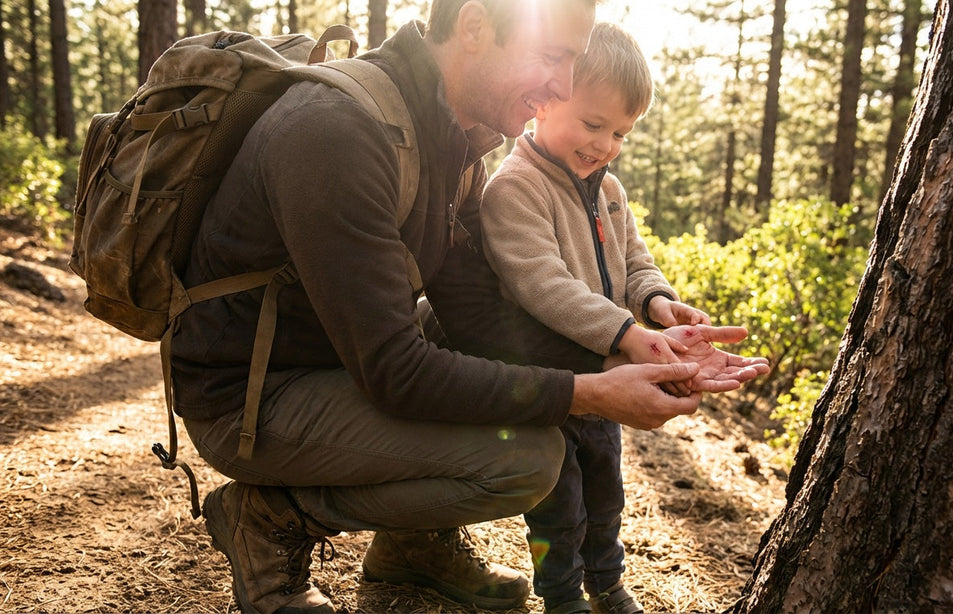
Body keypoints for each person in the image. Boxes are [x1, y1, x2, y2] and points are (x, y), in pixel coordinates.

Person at [168, 1, 766, 613]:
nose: (561, 84)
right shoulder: (337, 132)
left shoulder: (448, 143)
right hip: (252, 399)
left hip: (334, 364)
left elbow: (477, 319)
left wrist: (625, 358)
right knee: (526, 462)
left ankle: (413, 546)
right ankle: (269, 517)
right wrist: (589, 393)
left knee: (449, 335)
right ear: (476, 27)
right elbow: (396, 372)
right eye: (553, 56)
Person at [429, 21, 769, 614]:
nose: (607, 144)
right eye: (594, 124)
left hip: (606, 369)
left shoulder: (606, 188)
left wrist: (658, 304)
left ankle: (607, 583)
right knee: (557, 503)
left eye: (621, 133)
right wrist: (627, 335)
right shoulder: (515, 190)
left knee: (606, 492)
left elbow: (634, 262)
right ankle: (561, 596)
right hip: (550, 378)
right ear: (543, 99)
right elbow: (542, 285)